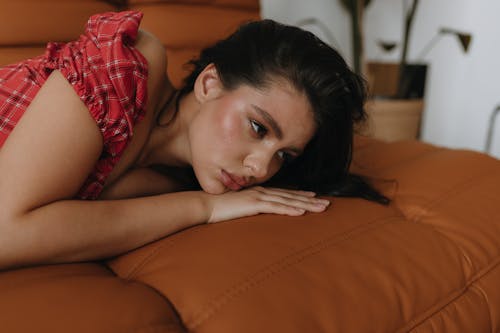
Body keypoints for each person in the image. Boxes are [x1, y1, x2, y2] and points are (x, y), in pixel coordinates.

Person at [0, 11, 388, 271]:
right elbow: (7, 233)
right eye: (257, 128)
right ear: (209, 83)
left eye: (283, 155)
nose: (261, 169)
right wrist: (200, 208)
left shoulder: (173, 179)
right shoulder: (128, 68)